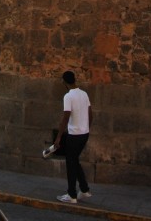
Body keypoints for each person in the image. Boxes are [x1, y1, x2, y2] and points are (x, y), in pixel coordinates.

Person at [54, 70, 92, 204]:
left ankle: (71, 194)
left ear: (64, 82)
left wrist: (58, 137)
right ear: (74, 80)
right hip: (84, 134)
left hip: (74, 135)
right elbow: (90, 114)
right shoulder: (84, 94)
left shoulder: (68, 96)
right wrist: (86, 127)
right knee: (74, 161)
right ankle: (85, 189)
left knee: (70, 163)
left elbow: (65, 117)